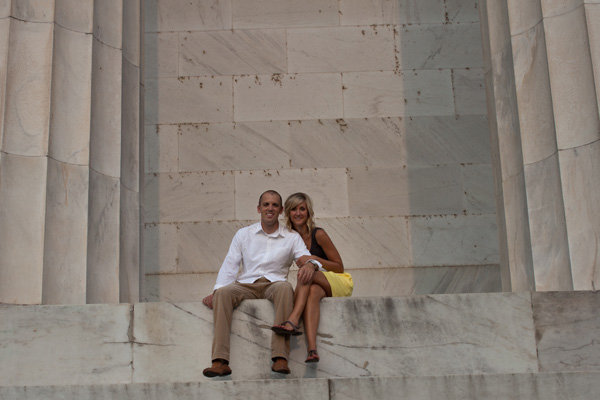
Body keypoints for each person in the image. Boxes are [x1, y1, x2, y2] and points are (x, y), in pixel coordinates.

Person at [201, 190, 315, 377]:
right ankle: (220, 362)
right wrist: (216, 290)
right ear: (259, 208)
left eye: (275, 205)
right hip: (246, 284)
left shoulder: (291, 236)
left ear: (280, 211)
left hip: (274, 284)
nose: (270, 208)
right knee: (222, 293)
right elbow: (231, 264)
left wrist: (310, 264)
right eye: (266, 204)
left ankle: (280, 358)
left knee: (286, 288)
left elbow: (304, 257)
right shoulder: (243, 234)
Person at [271, 192, 353, 363]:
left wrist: (312, 260)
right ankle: (312, 350)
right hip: (317, 285)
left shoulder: (318, 234)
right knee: (313, 293)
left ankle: (293, 320)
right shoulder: (289, 238)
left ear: (308, 212)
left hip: (337, 282)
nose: (298, 213)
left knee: (307, 273)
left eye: (302, 209)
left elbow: (339, 266)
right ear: (288, 213)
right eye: (294, 209)